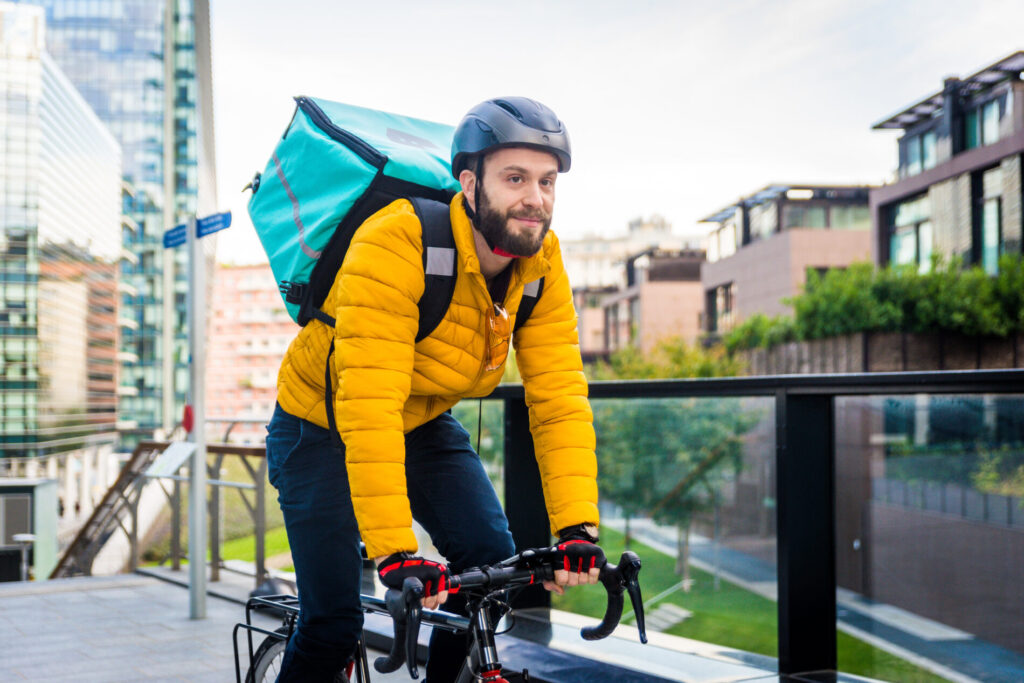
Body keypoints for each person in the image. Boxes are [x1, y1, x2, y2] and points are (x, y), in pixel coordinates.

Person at [265, 96, 603, 682]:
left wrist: (577, 528)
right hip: (319, 425)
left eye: (548, 181)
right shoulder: (396, 240)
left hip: (420, 420)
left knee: (491, 572)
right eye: (515, 178)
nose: (536, 199)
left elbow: (559, 399)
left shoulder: (541, 264)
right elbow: (368, 407)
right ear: (469, 184)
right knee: (332, 623)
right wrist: (397, 552)